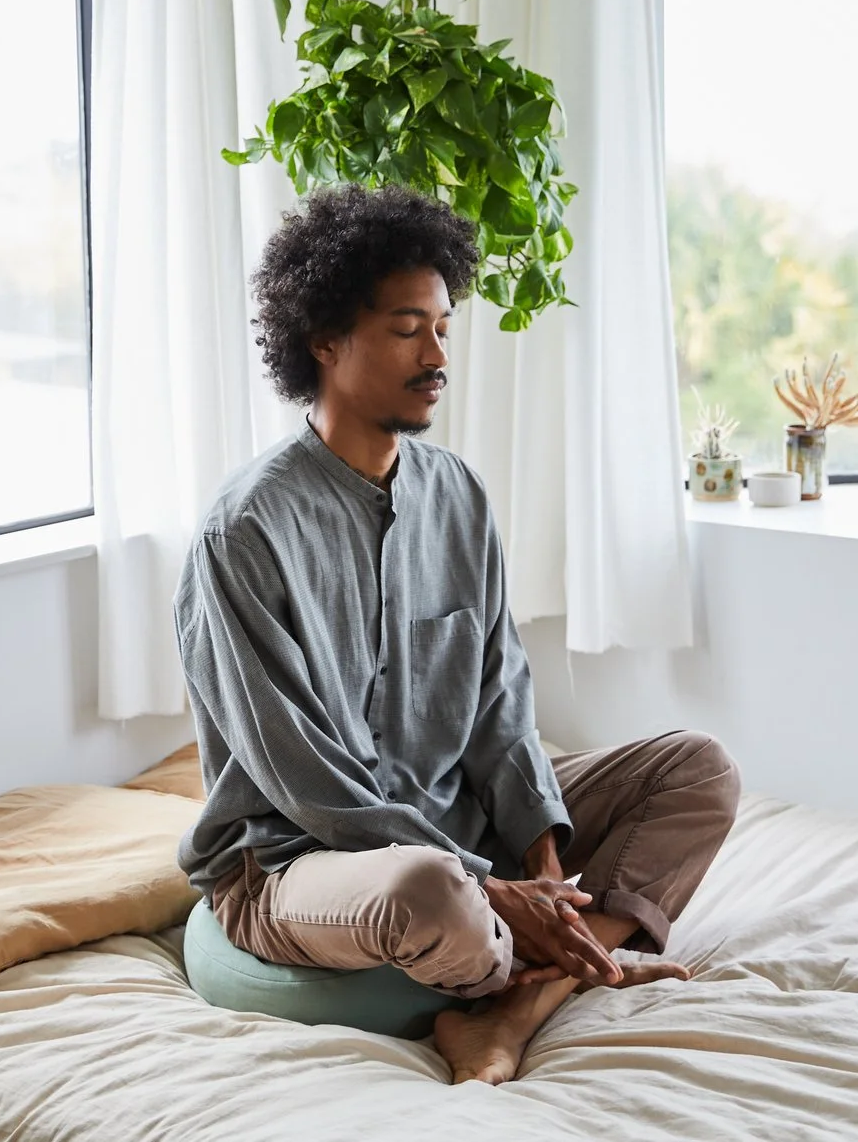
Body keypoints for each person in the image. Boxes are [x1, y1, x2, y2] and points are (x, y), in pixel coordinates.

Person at [175, 184, 739, 1086]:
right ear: (324, 340)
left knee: (698, 767)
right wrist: (487, 881)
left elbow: (499, 697)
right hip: (298, 862)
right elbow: (309, 784)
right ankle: (539, 955)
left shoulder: (457, 492)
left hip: (458, 826)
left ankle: (522, 1000)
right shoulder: (245, 533)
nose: (438, 353)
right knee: (429, 891)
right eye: (408, 328)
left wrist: (541, 850)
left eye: (443, 327)